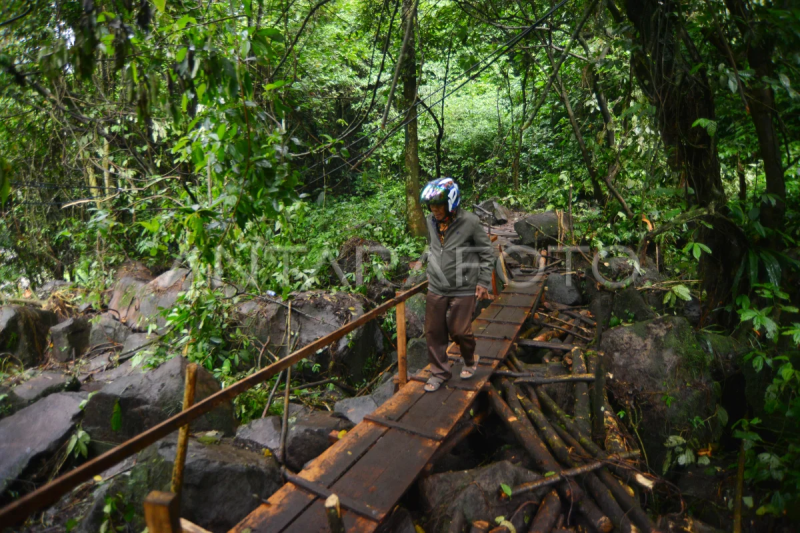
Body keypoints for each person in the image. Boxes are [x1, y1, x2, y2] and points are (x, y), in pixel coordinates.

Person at [419, 177, 495, 392]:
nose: (434, 210)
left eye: (438, 205)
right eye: (431, 205)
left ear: (451, 202)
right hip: (436, 284)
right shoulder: (429, 220)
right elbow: (435, 246)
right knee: (433, 331)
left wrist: (482, 281)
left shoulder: (470, 222)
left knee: (460, 331)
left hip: (464, 285)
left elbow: (487, 252)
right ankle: (439, 372)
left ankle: (470, 359)